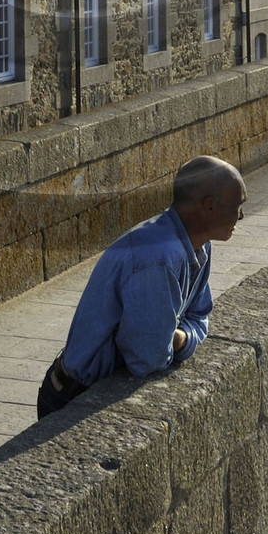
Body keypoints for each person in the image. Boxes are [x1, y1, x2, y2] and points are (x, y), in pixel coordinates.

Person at [36, 155, 247, 419]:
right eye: (237, 205)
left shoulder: (199, 245)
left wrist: (180, 338)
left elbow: (200, 315)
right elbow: (147, 359)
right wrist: (174, 339)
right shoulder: (158, 260)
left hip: (98, 389)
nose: (241, 215)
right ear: (210, 208)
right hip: (74, 397)